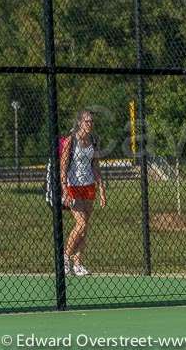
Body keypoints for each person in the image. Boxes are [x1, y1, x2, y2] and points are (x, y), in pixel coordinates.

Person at [61, 110, 106, 276]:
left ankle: (78, 264)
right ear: (80, 122)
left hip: (88, 186)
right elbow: (63, 167)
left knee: (85, 227)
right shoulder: (70, 141)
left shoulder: (93, 140)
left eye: (92, 121)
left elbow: (95, 166)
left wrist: (101, 189)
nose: (90, 124)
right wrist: (64, 189)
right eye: (87, 121)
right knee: (81, 224)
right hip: (73, 186)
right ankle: (65, 258)